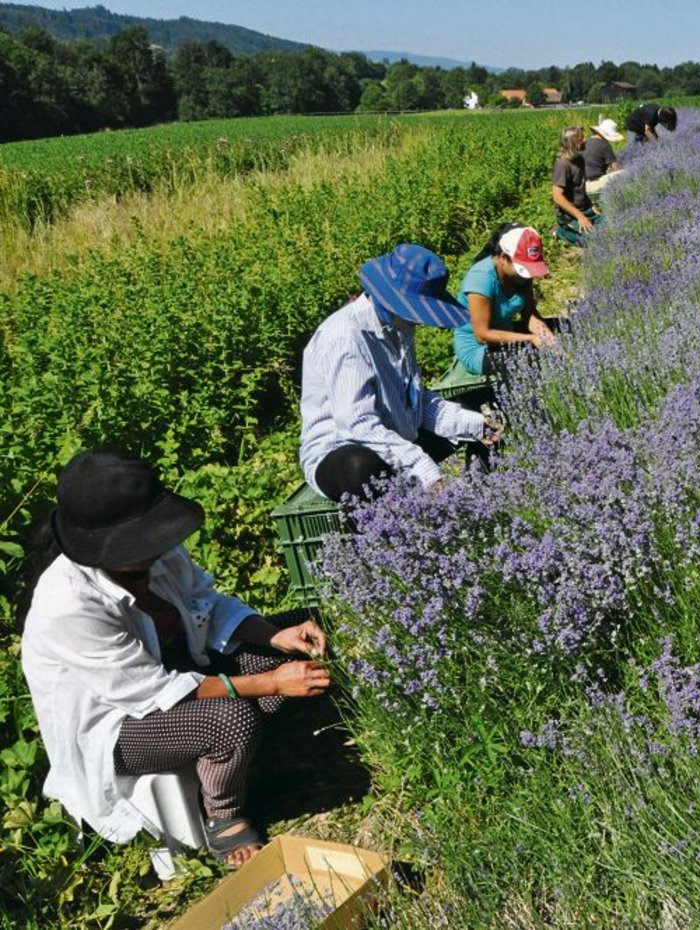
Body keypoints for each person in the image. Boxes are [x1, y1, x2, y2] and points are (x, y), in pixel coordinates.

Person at [20, 451, 332, 868]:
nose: (156, 551)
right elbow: (156, 692)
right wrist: (273, 683)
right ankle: (222, 818)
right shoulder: (68, 604)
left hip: (180, 667)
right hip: (122, 725)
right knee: (231, 720)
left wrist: (275, 635)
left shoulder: (155, 553)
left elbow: (207, 604)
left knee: (293, 634)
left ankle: (254, 761)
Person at [299, 243, 497, 501]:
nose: (420, 321)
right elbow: (358, 425)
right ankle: (378, 537)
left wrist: (474, 424)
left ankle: (483, 496)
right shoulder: (345, 338)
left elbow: (414, 398)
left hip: (396, 434)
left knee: (478, 407)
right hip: (342, 449)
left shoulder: (398, 327)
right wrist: (424, 468)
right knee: (362, 468)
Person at [453, 223, 556, 379]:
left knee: (567, 328)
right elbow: (482, 334)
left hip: (508, 333)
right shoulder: (481, 278)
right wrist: (532, 338)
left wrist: (549, 339)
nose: (527, 275)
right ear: (503, 258)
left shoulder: (522, 275)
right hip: (479, 349)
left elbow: (529, 315)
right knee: (535, 362)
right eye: (523, 267)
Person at [553, 126, 601, 245]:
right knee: (593, 241)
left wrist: (591, 206)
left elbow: (580, 187)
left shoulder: (579, 158)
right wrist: (580, 217)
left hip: (586, 209)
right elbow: (557, 197)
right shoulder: (563, 164)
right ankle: (562, 232)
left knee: (612, 226)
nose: (585, 141)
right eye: (581, 139)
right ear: (573, 143)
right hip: (570, 215)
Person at [584, 118, 626, 196]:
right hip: (594, 184)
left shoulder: (586, 141)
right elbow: (616, 167)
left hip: (580, 184)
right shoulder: (604, 145)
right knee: (623, 173)